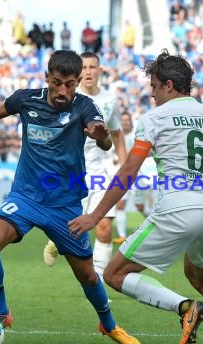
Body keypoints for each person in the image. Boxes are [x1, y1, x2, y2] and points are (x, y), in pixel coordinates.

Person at [67, 50, 203, 344]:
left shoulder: (153, 119)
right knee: (200, 275)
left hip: (177, 209)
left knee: (115, 274)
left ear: (170, 85)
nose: (151, 93)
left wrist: (95, 215)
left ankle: (185, 308)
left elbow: (129, 171)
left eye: (155, 86)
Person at [0, 50, 141, 344]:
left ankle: (108, 325)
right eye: (57, 82)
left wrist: (101, 136)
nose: (63, 91)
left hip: (65, 206)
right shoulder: (26, 99)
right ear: (47, 78)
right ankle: (2, 313)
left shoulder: (85, 106)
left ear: (78, 81)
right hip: (25, 197)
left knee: (89, 277)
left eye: (70, 84)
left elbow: (105, 141)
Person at [43, 52, 127, 274]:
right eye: (85, 68)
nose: (89, 71)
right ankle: (56, 241)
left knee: (105, 226)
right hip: (70, 170)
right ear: (79, 73)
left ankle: (98, 280)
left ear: (100, 70)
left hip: (98, 168)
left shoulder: (110, 100)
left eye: (93, 67)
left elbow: (117, 134)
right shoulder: (68, 96)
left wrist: (125, 166)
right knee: (71, 225)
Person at [113, 111, 149, 245]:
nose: (125, 122)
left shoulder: (136, 135)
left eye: (127, 120)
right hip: (122, 176)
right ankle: (122, 236)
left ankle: (157, 228)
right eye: (123, 120)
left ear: (131, 121)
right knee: (120, 205)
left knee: (140, 207)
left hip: (137, 176)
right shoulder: (116, 135)